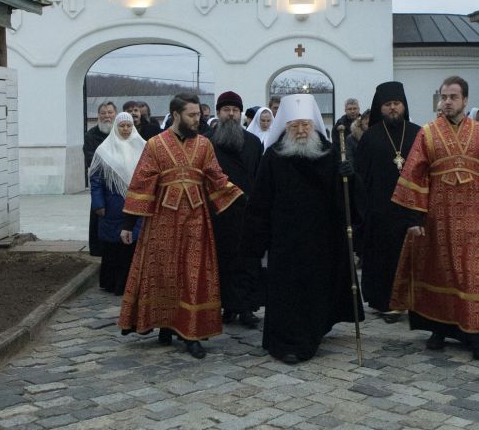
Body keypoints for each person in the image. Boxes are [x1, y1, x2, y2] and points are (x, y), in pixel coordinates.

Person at [389, 76, 479, 365]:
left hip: (475, 219)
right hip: (437, 218)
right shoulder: (428, 133)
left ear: (465, 100)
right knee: (439, 271)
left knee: (475, 275)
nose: (447, 102)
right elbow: (413, 174)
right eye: (443, 96)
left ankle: (478, 338)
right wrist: (414, 217)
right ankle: (439, 329)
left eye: (453, 97)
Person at [118, 93, 244, 359]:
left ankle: (191, 333)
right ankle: (165, 324)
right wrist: (128, 223)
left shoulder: (205, 145)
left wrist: (241, 198)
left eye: (198, 114)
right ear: (176, 115)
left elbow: (216, 177)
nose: (198, 120)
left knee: (192, 275)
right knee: (163, 273)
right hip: (162, 220)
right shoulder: (154, 144)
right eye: (192, 115)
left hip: (196, 220)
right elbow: (141, 182)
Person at [242, 94, 364, 364]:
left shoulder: (330, 152)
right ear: (285, 127)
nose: (300, 131)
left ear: (314, 125)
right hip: (284, 237)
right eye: (294, 125)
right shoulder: (273, 156)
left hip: (321, 236)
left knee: (315, 288)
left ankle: (313, 332)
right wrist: (254, 241)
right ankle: (287, 341)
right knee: (286, 290)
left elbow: (344, 198)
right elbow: (260, 200)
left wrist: (349, 176)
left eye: (305, 125)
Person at [355, 83, 421, 321]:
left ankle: (412, 302)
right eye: (387, 104)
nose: (393, 108)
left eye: (396, 103)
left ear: (404, 106)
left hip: (411, 209)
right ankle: (385, 303)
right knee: (383, 259)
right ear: (379, 108)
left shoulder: (417, 133)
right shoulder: (370, 137)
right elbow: (360, 176)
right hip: (379, 211)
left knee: (412, 259)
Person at [209, 91, 264, 328]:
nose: (231, 114)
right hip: (219, 213)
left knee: (248, 261)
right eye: (226, 110)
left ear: (241, 114)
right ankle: (228, 306)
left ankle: (247, 308)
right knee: (223, 261)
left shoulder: (253, 142)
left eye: (235, 110)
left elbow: (260, 176)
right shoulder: (207, 142)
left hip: (248, 212)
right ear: (218, 113)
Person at [89, 112, 146, 294]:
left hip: (136, 205)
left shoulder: (143, 148)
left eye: (129, 126)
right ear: (116, 127)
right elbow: (96, 180)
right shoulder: (104, 150)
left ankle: (130, 285)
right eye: (122, 126)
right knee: (113, 248)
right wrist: (98, 204)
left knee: (132, 246)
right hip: (112, 206)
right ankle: (112, 283)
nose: (125, 129)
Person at [83, 101, 116, 254]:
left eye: (110, 112)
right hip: (100, 184)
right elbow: (91, 159)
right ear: (98, 115)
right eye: (103, 113)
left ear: (115, 114)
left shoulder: (122, 132)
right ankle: (97, 249)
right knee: (98, 214)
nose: (107, 116)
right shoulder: (91, 135)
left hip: (120, 184)